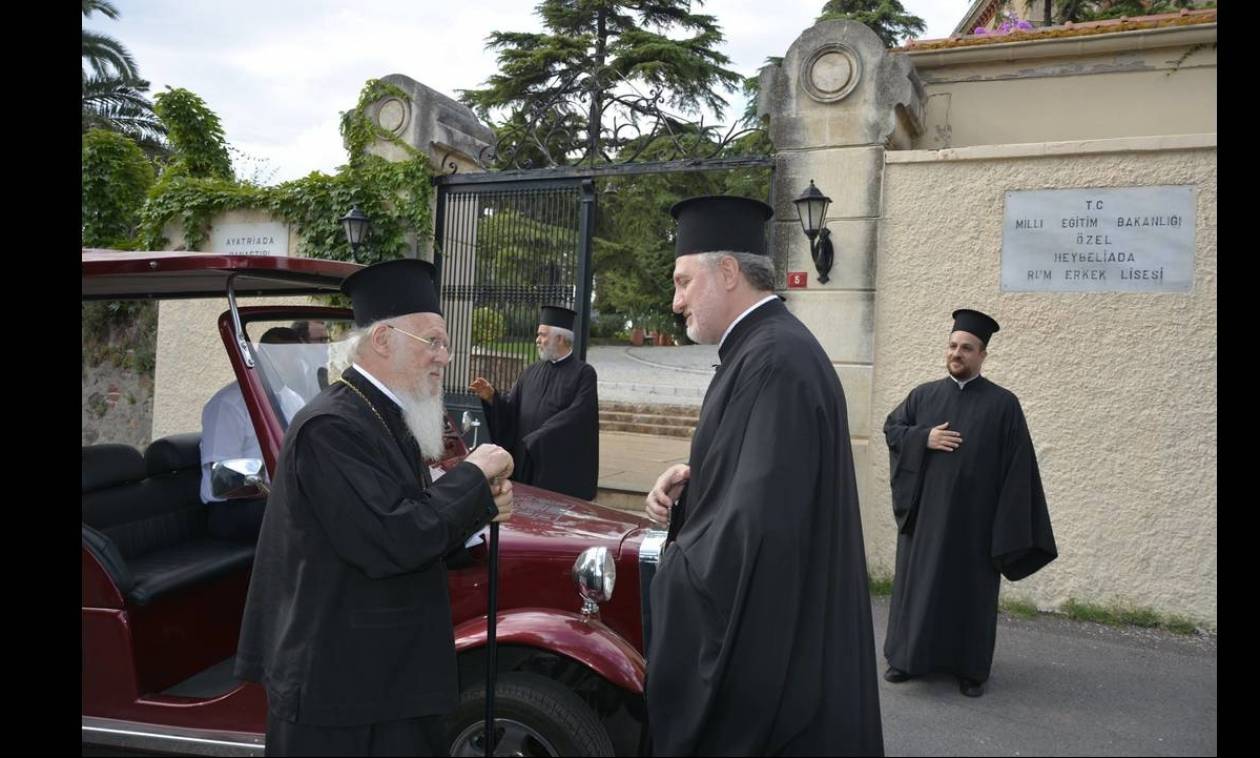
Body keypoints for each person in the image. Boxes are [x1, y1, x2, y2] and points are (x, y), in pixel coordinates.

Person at [234, 259, 516, 756]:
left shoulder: (385, 415)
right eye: (434, 341)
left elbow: (412, 516)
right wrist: (474, 476)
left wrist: (480, 510)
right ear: (384, 339)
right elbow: (394, 537)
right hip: (339, 691)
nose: (445, 357)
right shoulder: (332, 428)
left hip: (382, 677)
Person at [642, 195, 884, 755]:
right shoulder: (766, 349)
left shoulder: (773, 360)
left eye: (682, 282)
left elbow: (760, 529)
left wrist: (669, 568)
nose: (675, 301)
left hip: (778, 672)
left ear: (727, 272)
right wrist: (694, 483)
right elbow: (764, 480)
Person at [882, 309, 1057, 698]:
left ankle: (970, 670)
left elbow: (1018, 468)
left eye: (966, 348)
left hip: (975, 524)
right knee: (919, 588)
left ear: (982, 356)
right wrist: (922, 438)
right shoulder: (923, 395)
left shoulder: (1003, 405)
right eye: (952, 345)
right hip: (926, 520)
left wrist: (1006, 525)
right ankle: (906, 659)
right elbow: (893, 428)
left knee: (970, 595)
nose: (956, 353)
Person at [468, 305, 599, 500]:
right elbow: (511, 409)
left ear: (560, 338)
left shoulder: (583, 374)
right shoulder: (530, 372)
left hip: (556, 466)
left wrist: (540, 437)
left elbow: (578, 416)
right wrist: (492, 397)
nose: (537, 340)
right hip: (525, 463)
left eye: (543, 335)